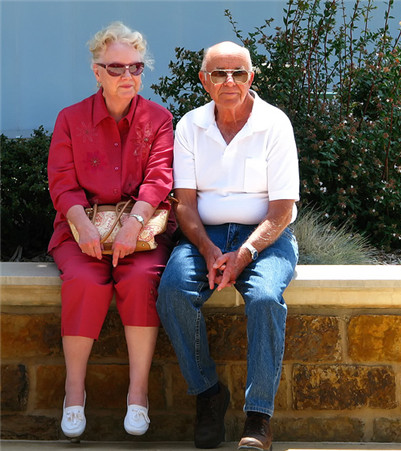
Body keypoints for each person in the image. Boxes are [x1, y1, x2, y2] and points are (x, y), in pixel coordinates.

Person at [156, 41, 299, 450]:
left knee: (267, 299)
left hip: (266, 237)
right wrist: (206, 249)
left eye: (238, 72)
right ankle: (208, 395)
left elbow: (282, 210)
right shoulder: (190, 126)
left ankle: (258, 418)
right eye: (219, 73)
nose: (229, 81)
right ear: (205, 81)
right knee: (172, 293)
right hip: (207, 235)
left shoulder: (275, 124)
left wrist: (245, 254)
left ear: (251, 77)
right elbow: (183, 204)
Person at [47, 22, 175, 440]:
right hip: (80, 229)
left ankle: (138, 394)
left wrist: (133, 224)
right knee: (84, 281)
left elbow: (159, 179)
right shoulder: (70, 119)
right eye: (116, 68)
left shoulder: (159, 119)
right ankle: (73, 390)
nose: (127, 77)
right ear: (97, 71)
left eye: (135, 68)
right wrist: (83, 225)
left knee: (140, 281)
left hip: (140, 231)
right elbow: (62, 183)